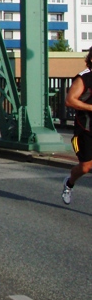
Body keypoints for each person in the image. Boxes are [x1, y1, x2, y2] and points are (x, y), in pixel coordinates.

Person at [62, 47, 92, 205]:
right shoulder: (84, 78)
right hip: (86, 128)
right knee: (86, 167)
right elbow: (70, 100)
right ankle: (69, 183)